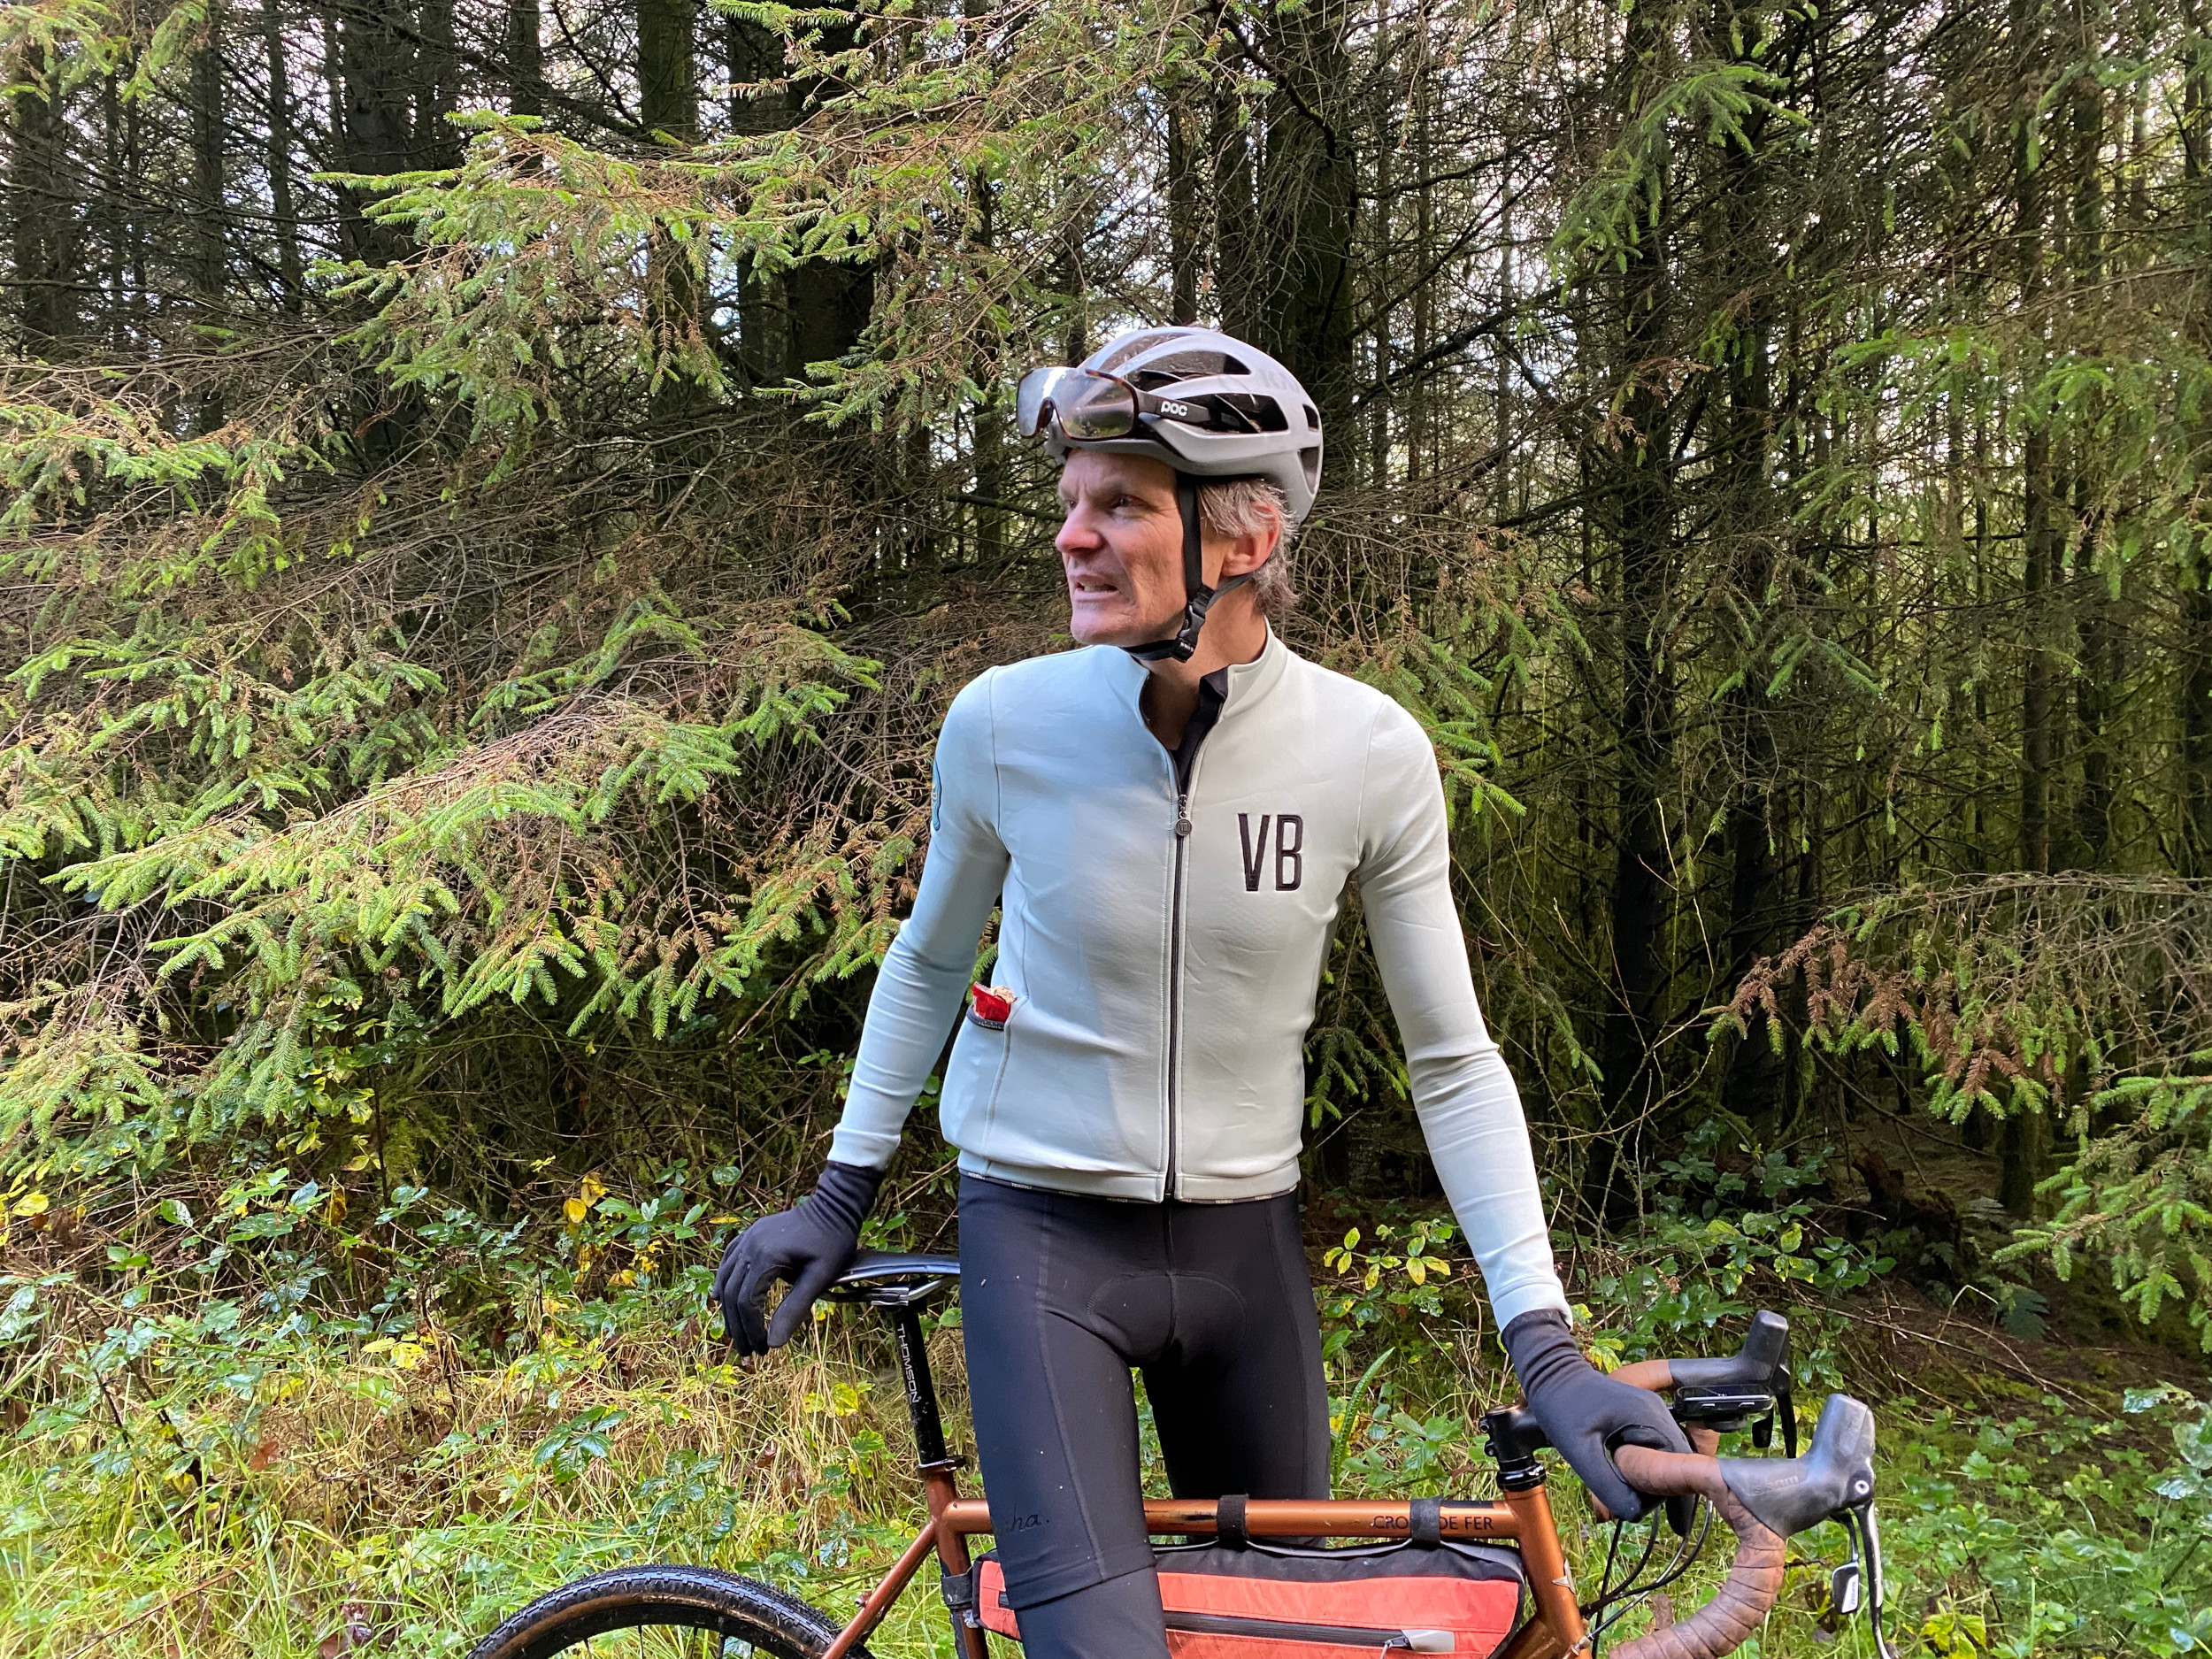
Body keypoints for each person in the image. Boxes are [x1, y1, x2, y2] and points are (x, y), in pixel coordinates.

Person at [714, 326, 1687, 1659]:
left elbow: (1452, 1061)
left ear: (1243, 538)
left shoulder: (1367, 753)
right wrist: (841, 1190)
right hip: (1043, 1239)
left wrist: (1546, 1342)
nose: (1072, 537)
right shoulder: (1002, 723)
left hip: (1244, 1253)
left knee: (1292, 1643)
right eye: (1070, 503)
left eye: (1119, 504)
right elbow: (931, 958)